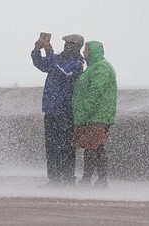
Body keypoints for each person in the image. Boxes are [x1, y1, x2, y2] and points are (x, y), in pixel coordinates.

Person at [31, 33, 85, 185]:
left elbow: (66, 73)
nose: (67, 46)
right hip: (50, 110)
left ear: (78, 47)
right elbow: (41, 64)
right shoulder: (57, 59)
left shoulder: (77, 63)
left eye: (70, 44)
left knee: (66, 146)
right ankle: (53, 179)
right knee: (51, 147)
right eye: (66, 44)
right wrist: (37, 50)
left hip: (65, 112)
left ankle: (67, 179)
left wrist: (50, 52)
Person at [71, 41, 118, 187]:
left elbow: (96, 92)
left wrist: (84, 111)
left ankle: (88, 179)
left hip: (97, 116)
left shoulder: (101, 68)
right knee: (97, 147)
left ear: (93, 51)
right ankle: (101, 181)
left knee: (92, 148)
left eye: (86, 51)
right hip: (95, 115)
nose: (84, 54)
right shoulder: (94, 67)